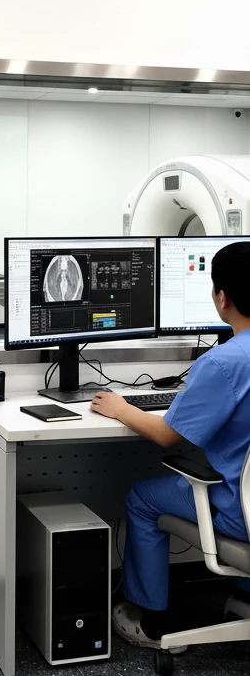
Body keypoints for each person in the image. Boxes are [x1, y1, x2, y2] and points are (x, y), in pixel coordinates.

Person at [90, 241, 250, 652]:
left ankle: (150, 620)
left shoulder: (224, 363)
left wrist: (121, 407)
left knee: (143, 497)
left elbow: (165, 436)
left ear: (222, 298)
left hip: (243, 515)